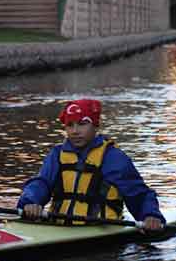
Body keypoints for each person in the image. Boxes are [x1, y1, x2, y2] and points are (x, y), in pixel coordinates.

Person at [17, 99, 165, 232]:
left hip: (103, 230)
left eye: (82, 124)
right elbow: (41, 183)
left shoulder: (114, 158)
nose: (75, 131)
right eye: (70, 125)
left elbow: (139, 194)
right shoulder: (56, 154)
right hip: (58, 227)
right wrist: (31, 202)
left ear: (95, 125)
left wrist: (150, 215)